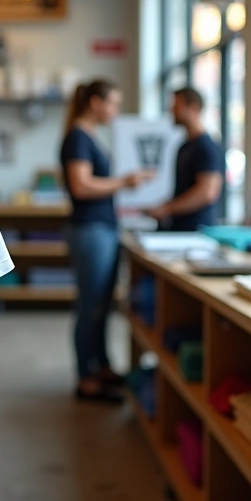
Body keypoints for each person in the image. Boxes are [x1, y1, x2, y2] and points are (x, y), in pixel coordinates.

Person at [59, 80, 152, 403]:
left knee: (101, 305)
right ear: (95, 103)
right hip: (90, 230)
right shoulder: (78, 138)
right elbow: (81, 186)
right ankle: (86, 378)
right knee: (91, 306)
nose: (115, 110)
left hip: (102, 229)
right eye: (112, 103)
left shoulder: (89, 137)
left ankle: (102, 367)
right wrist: (124, 183)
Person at [147, 86, 225, 231]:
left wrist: (168, 208)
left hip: (197, 230)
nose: (172, 111)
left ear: (193, 108)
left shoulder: (207, 147)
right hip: (179, 227)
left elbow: (207, 193)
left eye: (176, 106)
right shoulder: (183, 147)